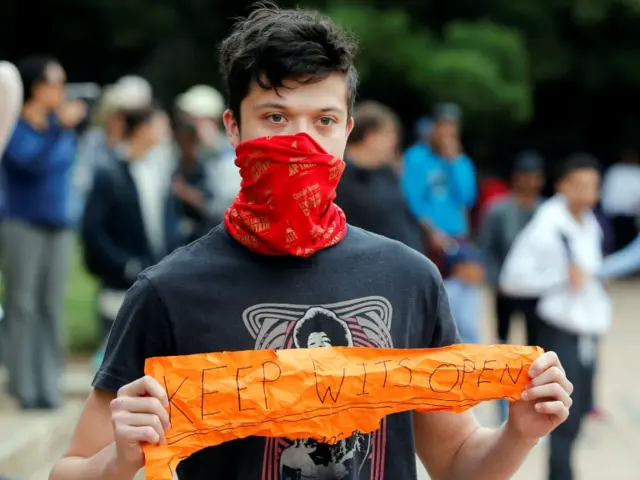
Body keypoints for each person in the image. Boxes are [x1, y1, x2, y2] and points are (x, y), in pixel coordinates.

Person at [51, 5, 572, 480]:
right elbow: (69, 472)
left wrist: (518, 433)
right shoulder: (167, 292)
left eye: (323, 121)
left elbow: (457, 463)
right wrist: (119, 458)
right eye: (275, 117)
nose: (300, 142)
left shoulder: (409, 278)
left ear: (346, 129)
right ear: (234, 128)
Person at [500, 154, 610, 480]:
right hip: (558, 329)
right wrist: (561, 278)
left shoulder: (589, 222)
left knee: (581, 411)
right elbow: (510, 279)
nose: (585, 192)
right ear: (561, 185)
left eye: (592, 186)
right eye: (578, 185)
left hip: (586, 330)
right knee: (561, 415)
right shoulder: (546, 225)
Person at [1, 56, 86, 410]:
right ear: (37, 87)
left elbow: (60, 162)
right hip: (22, 223)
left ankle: (48, 384)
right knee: (22, 305)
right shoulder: (14, 126)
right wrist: (61, 131)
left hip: (58, 225)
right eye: (56, 83)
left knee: (51, 307)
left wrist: (61, 130)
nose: (62, 92)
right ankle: (23, 385)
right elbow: (32, 164)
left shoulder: (57, 127)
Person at [82, 105, 184, 366]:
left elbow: (168, 222)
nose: (166, 132)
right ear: (142, 129)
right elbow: (93, 230)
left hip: (157, 271)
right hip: (120, 278)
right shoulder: (110, 172)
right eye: (160, 125)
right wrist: (123, 264)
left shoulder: (160, 170)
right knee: (114, 353)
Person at [336, 100, 423, 252]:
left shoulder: (387, 173)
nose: (395, 141)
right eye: (389, 134)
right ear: (370, 136)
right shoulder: (338, 177)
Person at [401, 102, 477, 273]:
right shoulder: (415, 157)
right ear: (433, 128)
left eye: (451, 127)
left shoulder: (462, 161)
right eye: (442, 126)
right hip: (424, 236)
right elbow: (411, 200)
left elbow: (467, 198)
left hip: (456, 236)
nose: (446, 132)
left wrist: (454, 163)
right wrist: (431, 232)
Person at [480, 151, 545, 346]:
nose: (530, 182)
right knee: (502, 335)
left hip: (537, 284)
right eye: (525, 176)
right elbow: (487, 245)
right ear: (516, 178)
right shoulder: (498, 209)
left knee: (536, 338)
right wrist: (494, 278)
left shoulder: (547, 210)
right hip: (505, 282)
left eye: (535, 177)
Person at [442, 242, 485, 344]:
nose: (481, 271)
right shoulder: (448, 291)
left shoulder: (472, 291)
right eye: (475, 266)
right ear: (459, 268)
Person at [600, 147, 640, 252]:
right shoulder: (615, 170)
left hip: (631, 217)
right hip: (615, 216)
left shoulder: (634, 171)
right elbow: (608, 193)